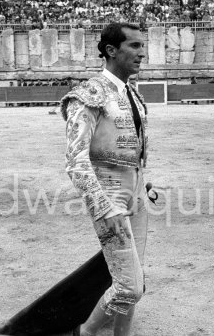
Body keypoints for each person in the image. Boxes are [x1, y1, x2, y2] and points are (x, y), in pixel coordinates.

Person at [61, 22, 149, 336]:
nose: (142, 53)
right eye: (134, 46)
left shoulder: (131, 94)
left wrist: (139, 182)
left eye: (142, 45)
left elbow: (128, 149)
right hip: (109, 200)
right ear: (111, 50)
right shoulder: (89, 94)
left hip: (136, 196)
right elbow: (76, 162)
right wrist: (104, 207)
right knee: (129, 287)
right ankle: (84, 333)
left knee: (134, 278)